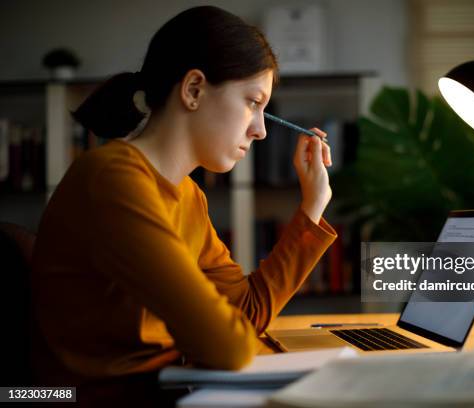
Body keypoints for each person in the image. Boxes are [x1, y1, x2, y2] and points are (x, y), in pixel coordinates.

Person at [30, 6, 336, 406]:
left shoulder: (188, 196)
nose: (260, 130)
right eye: (252, 102)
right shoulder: (113, 178)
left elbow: (245, 315)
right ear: (193, 89)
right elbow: (227, 346)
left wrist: (312, 208)